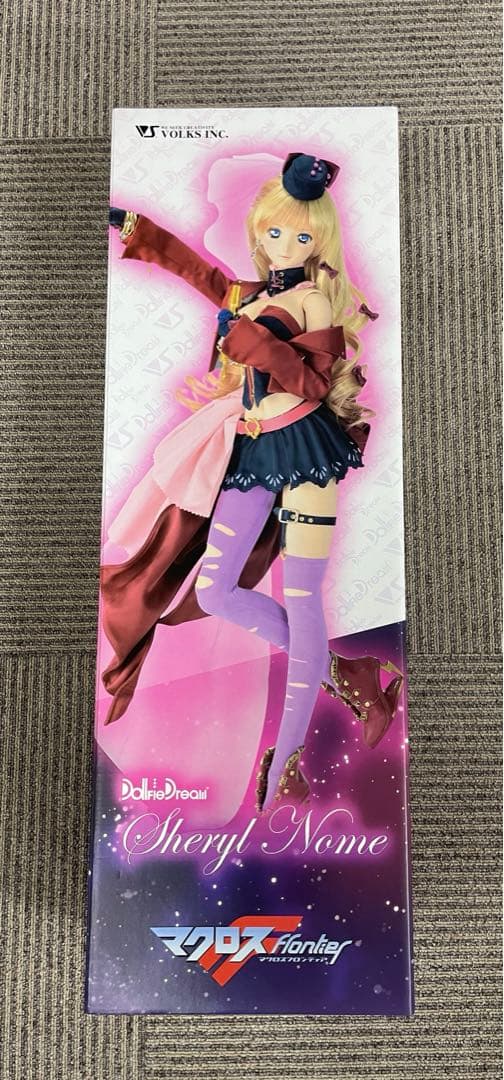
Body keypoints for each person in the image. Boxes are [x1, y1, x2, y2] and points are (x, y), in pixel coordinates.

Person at [103, 151, 403, 815]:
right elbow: (197, 271)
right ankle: (348, 674)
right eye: (274, 232)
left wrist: (254, 346)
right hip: (251, 450)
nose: (285, 245)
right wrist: (134, 227)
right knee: (215, 591)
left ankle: (286, 761)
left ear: (318, 239)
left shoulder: (313, 299)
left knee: (302, 598)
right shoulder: (248, 296)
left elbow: (313, 383)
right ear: (259, 232)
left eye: (301, 235)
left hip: (307, 448)